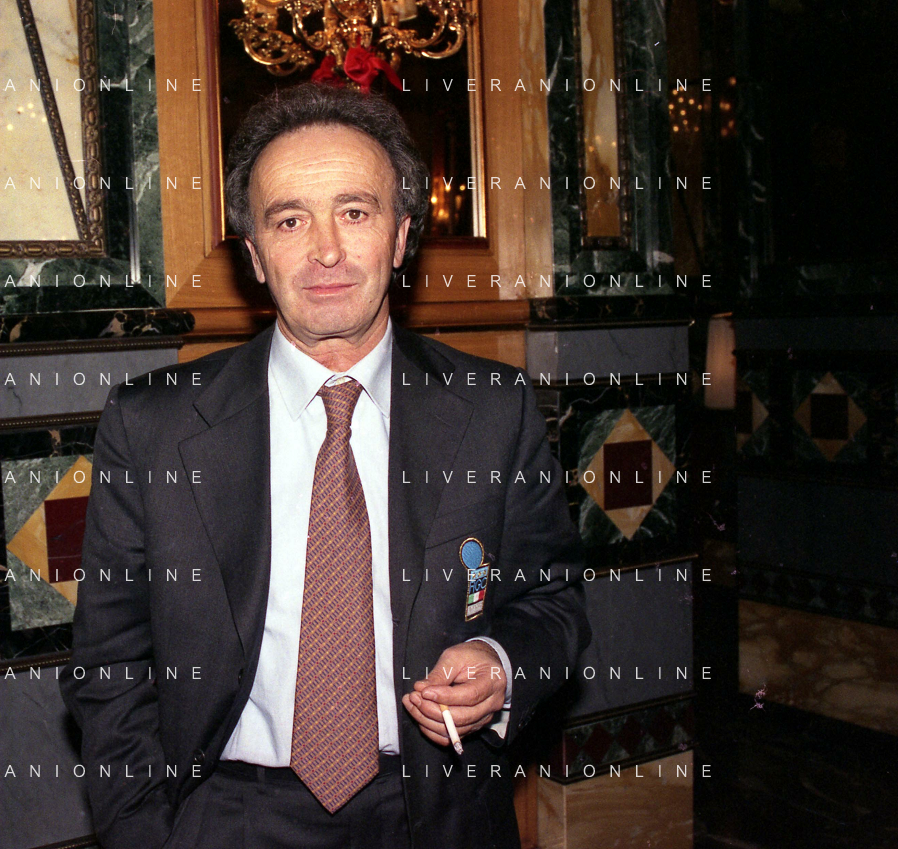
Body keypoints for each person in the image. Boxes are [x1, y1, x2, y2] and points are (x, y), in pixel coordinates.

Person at [61, 82, 590, 849]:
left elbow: (552, 602)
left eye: (354, 212)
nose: (326, 251)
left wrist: (500, 659)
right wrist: (146, 833)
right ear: (254, 254)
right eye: (289, 220)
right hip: (227, 816)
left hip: (437, 813)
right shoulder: (153, 426)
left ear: (400, 237)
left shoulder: (493, 409)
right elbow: (109, 663)